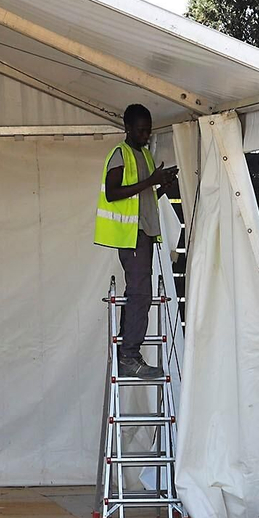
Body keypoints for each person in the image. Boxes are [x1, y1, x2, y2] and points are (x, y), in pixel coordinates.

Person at [95, 104, 179, 380]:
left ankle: (129, 353)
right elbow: (113, 193)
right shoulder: (121, 154)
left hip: (144, 233)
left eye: (148, 131)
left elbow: (144, 198)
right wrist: (150, 181)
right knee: (140, 294)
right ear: (127, 128)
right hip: (131, 236)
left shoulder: (144, 155)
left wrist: (162, 185)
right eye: (141, 131)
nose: (145, 136)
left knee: (139, 294)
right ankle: (129, 355)